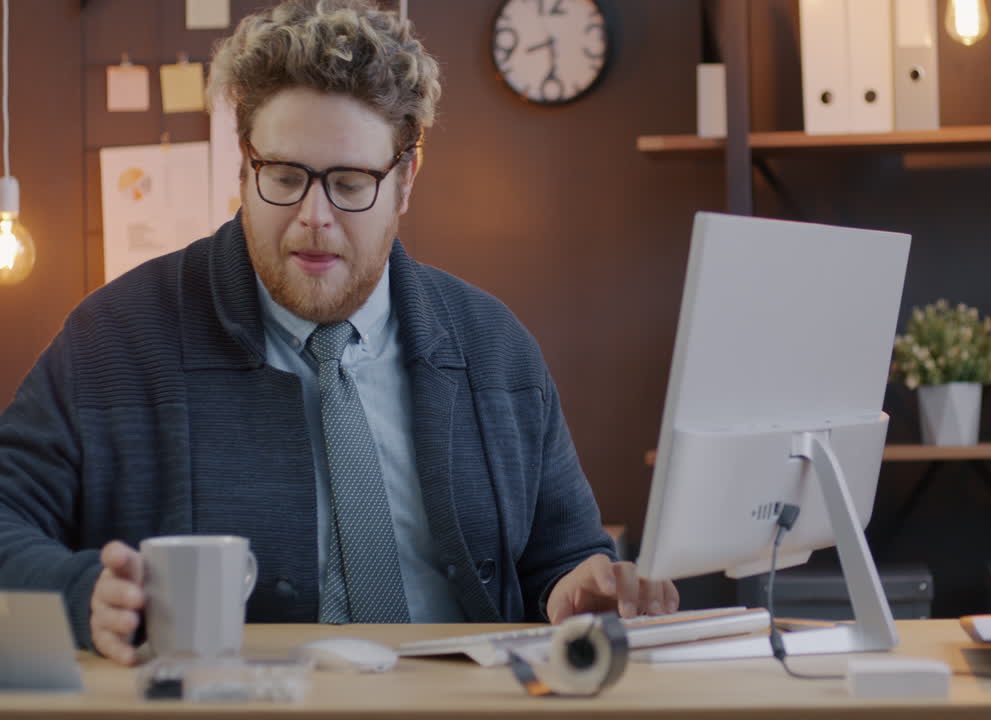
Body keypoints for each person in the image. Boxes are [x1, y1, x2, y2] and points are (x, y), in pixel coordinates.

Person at [0, 0, 677, 666]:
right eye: (285, 177)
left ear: (405, 179)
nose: (313, 217)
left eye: (350, 183)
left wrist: (576, 587)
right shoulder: (113, 338)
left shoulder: (495, 348)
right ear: (244, 164)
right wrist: (81, 595)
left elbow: (563, 558)